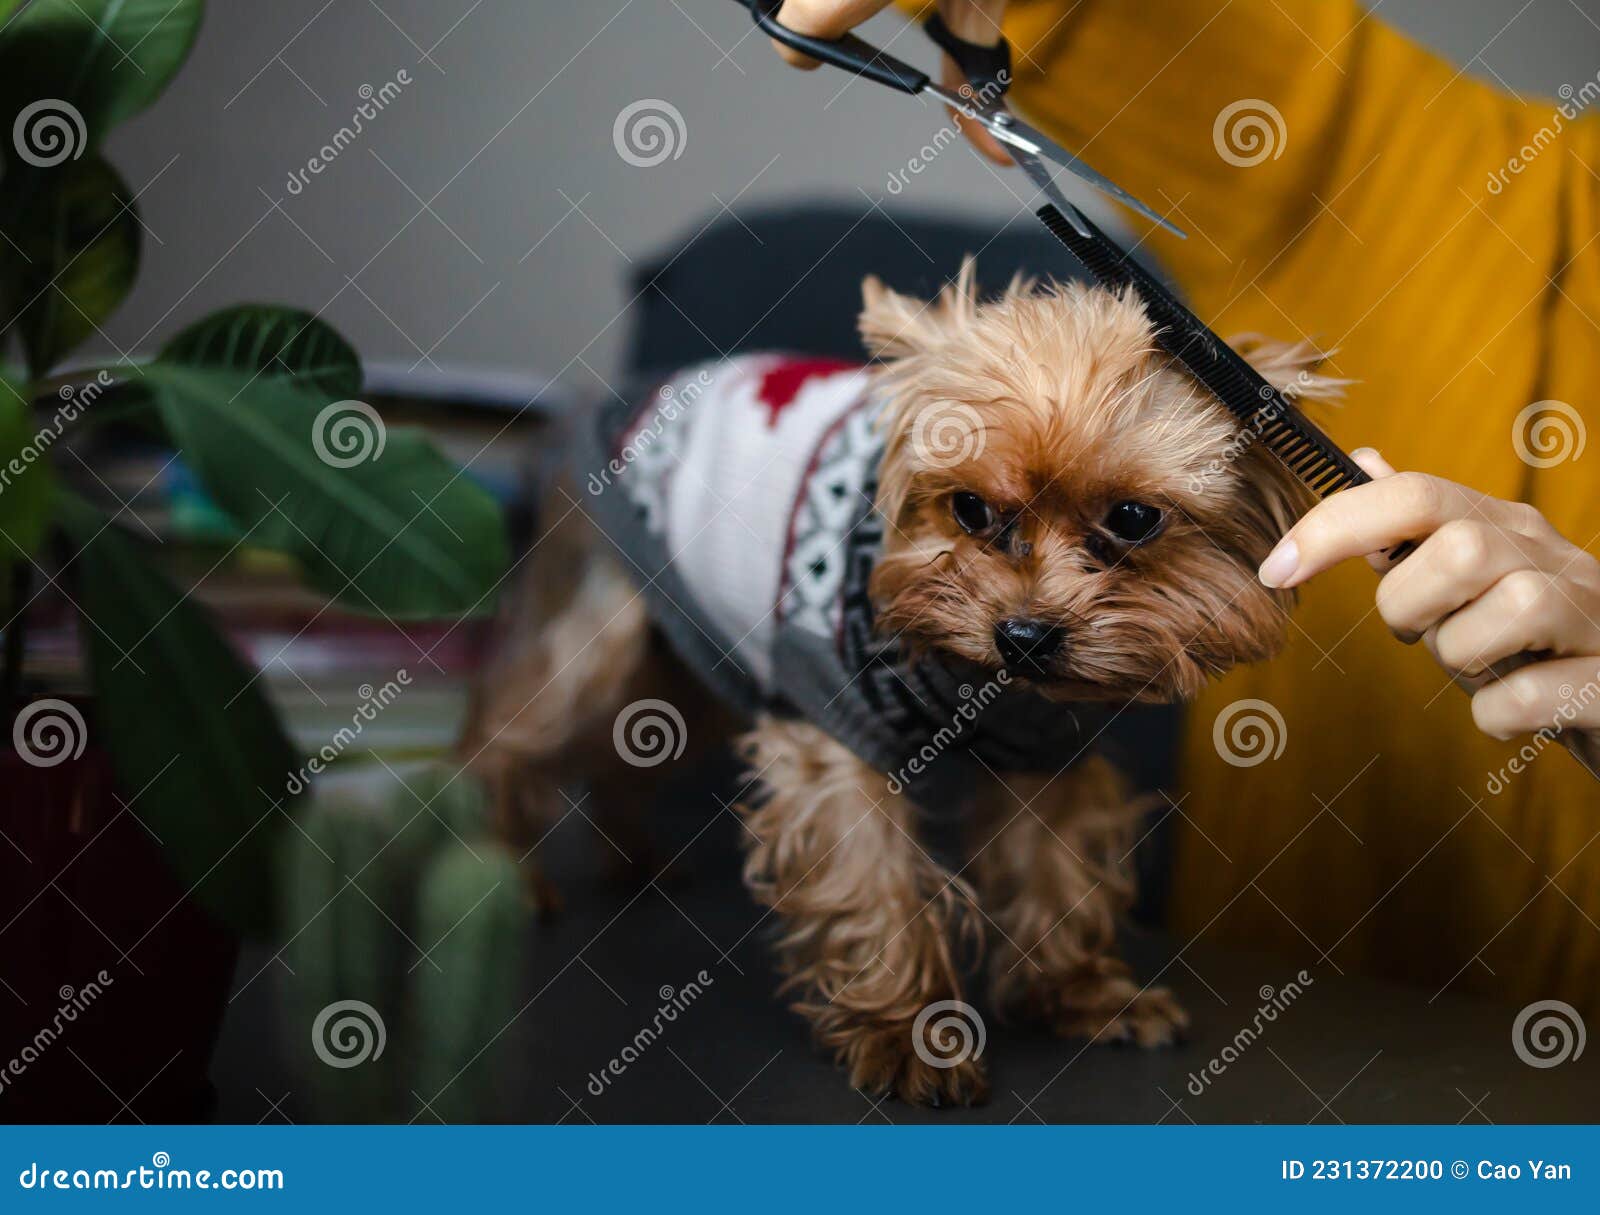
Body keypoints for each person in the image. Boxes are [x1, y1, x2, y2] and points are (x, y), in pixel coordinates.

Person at [772, 0, 1600, 1015]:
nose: (1036, 603)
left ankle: (1058, 972)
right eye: (984, 518)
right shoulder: (1476, 189)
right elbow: (1184, 40)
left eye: (1127, 526)